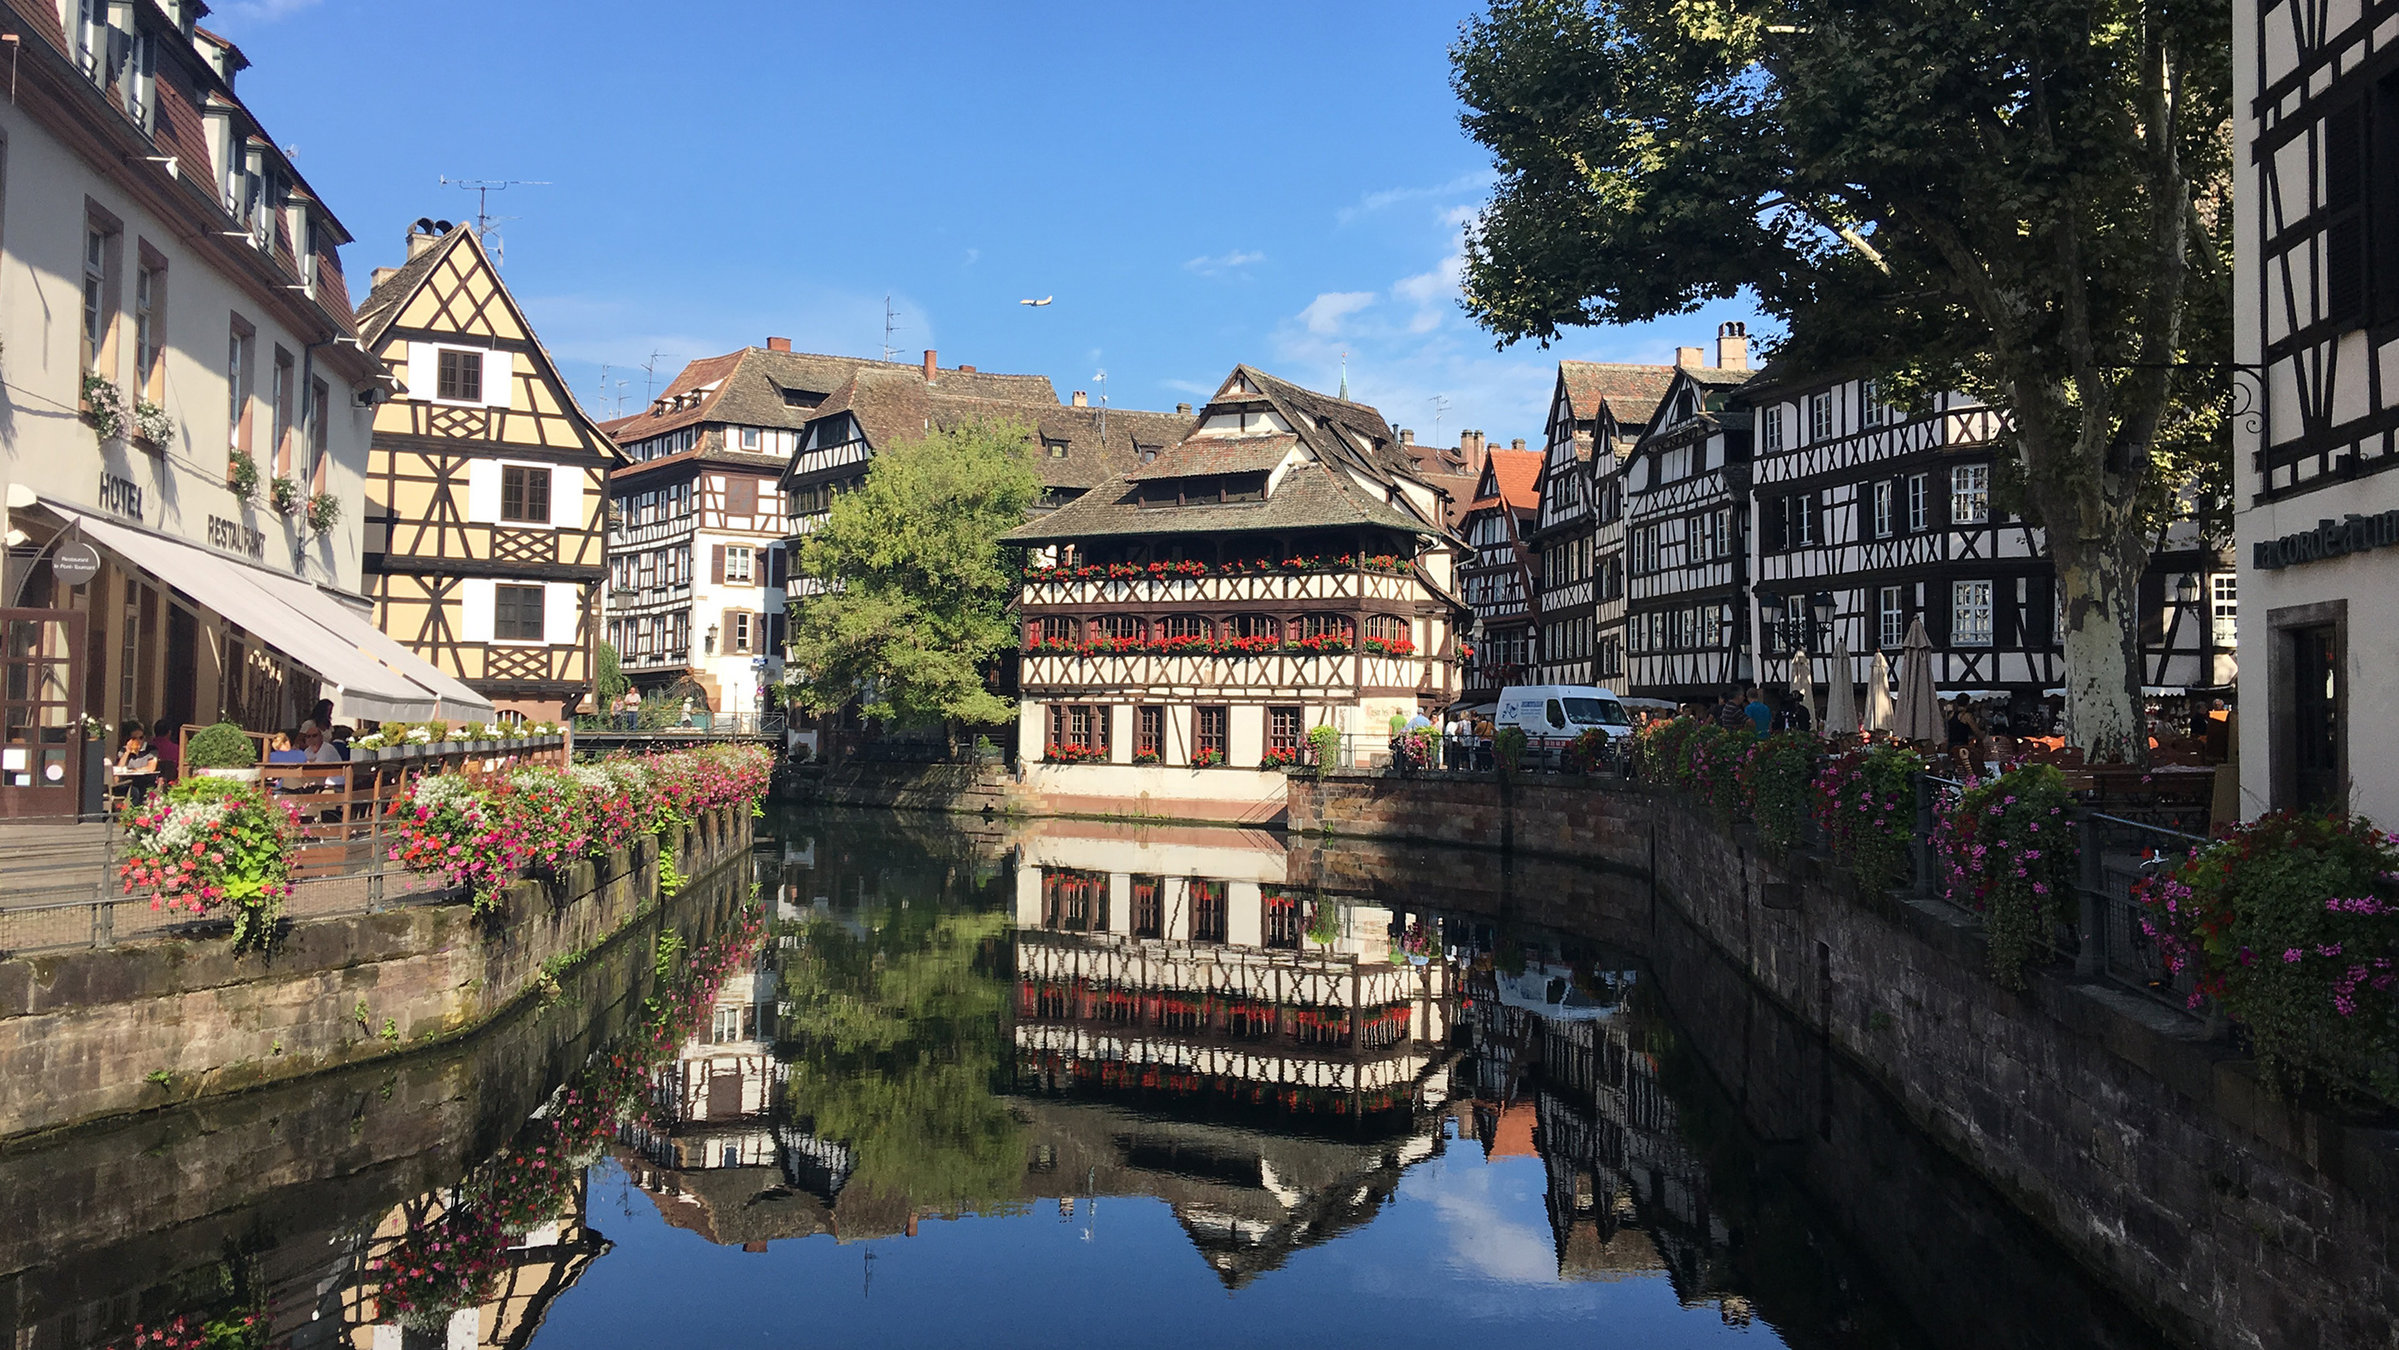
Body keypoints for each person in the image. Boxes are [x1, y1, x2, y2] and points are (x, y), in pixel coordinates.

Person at [115, 723, 159, 807]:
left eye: (141, 738)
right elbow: (119, 768)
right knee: (131, 791)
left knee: (138, 790)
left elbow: (151, 767)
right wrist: (127, 752)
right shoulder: (123, 751)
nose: (138, 741)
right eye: (134, 738)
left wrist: (134, 770)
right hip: (127, 782)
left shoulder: (151, 750)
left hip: (145, 781)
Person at [150, 719, 182, 784]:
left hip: (150, 780)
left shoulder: (149, 747)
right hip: (170, 781)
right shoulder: (176, 748)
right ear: (169, 732)